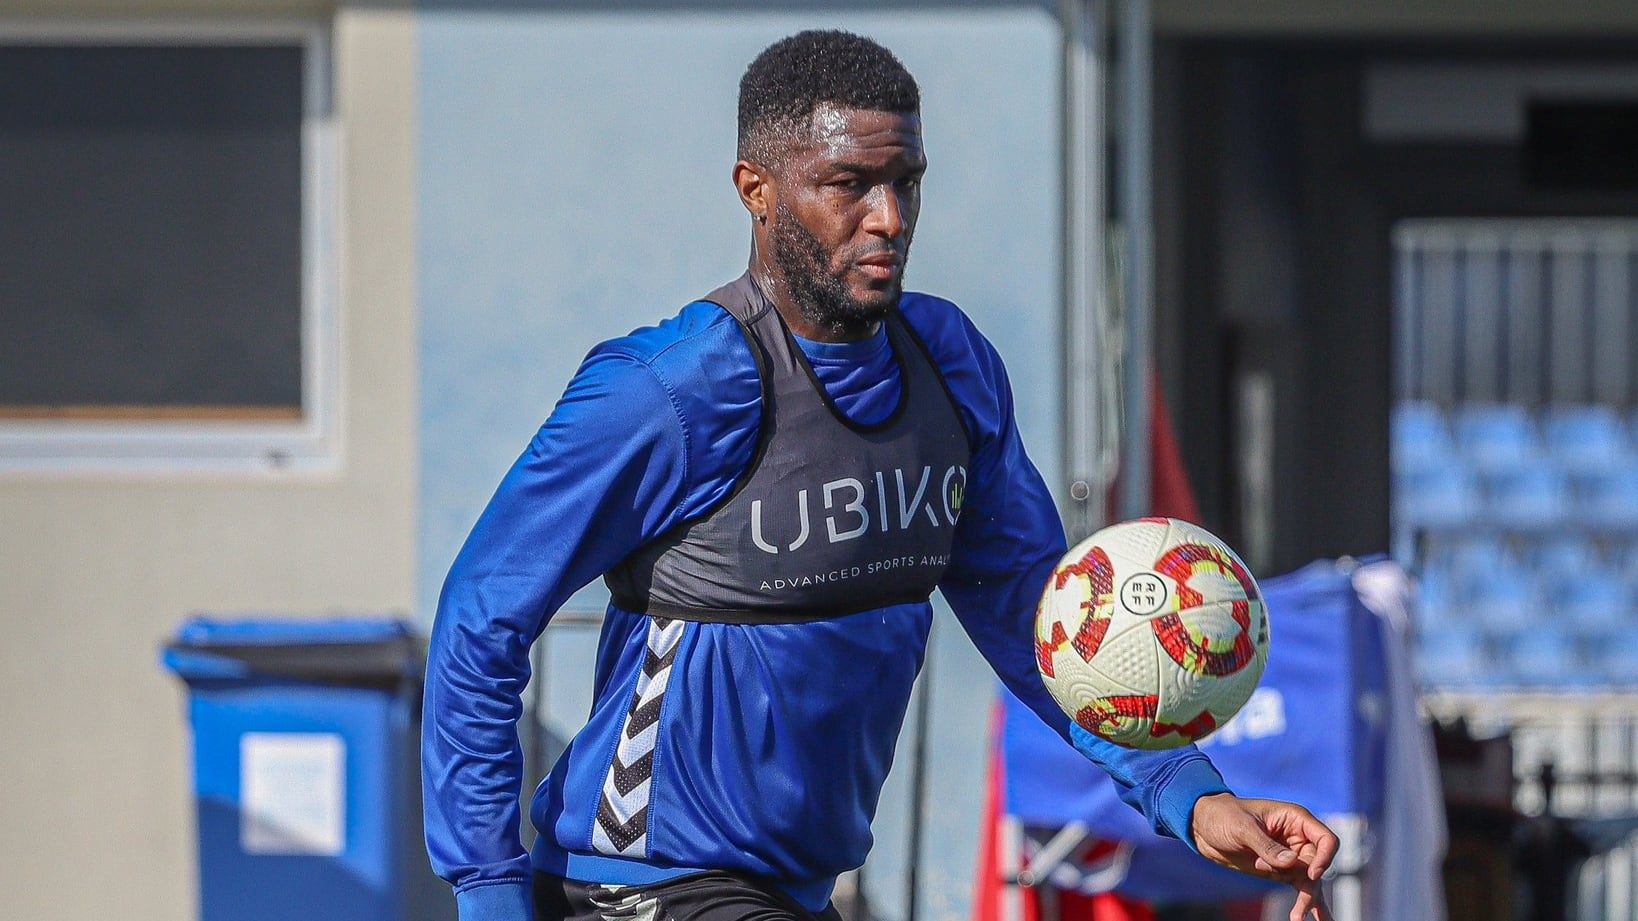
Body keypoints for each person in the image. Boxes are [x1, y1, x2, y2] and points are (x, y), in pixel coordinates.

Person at [422, 29, 1337, 921]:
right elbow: (480, 614)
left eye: (906, 183)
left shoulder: (950, 367)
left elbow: (1041, 623)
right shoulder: (672, 389)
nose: (889, 218)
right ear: (758, 190)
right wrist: (488, 888)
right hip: (639, 881)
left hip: (794, 889)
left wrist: (1190, 792)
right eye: (849, 184)